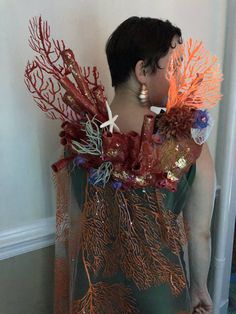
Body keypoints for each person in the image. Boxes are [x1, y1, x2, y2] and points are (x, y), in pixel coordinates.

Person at [25, 15, 222, 314]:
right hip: (160, 296)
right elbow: (199, 233)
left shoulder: (77, 141)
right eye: (175, 66)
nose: (182, 77)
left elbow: (77, 225)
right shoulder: (189, 144)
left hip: (93, 292)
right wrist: (199, 289)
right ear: (143, 70)